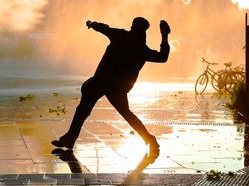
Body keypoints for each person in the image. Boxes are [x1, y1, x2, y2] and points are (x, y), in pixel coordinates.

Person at [51, 16, 170, 154]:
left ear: (132, 27)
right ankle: (150, 140)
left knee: (82, 110)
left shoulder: (120, 35)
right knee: (126, 114)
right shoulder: (142, 50)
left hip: (101, 82)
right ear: (144, 31)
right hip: (117, 88)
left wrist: (92, 24)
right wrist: (164, 36)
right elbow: (163, 57)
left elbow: (104, 28)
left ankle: (70, 138)